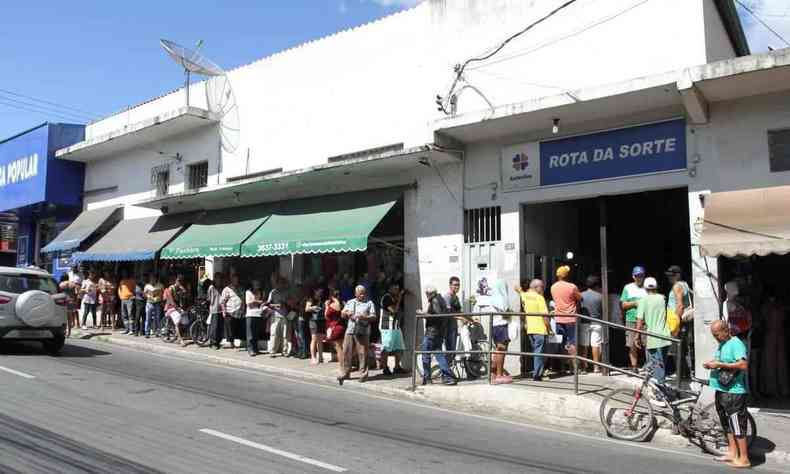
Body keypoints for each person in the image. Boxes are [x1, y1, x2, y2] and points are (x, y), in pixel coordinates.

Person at [704, 320, 751, 469]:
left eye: (717, 334)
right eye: (713, 335)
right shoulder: (723, 344)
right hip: (722, 390)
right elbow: (723, 361)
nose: (715, 338)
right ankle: (733, 452)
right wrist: (713, 363)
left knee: (737, 425)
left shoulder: (736, 343)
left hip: (734, 392)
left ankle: (744, 459)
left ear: (726, 330)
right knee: (726, 424)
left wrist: (719, 365)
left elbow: (743, 365)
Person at [338, 285, 377, 385]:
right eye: (360, 294)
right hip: (350, 330)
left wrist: (364, 317)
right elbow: (342, 314)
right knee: (346, 352)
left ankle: (363, 374)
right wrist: (347, 313)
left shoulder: (369, 303)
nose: (362, 295)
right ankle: (345, 373)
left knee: (362, 353)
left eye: (364, 293)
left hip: (363, 331)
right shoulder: (350, 302)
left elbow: (374, 317)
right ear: (355, 294)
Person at [635, 277, 671, 385]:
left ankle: (660, 394)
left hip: (653, 337)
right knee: (661, 365)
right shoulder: (662, 298)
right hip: (665, 335)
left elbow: (639, 320)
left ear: (645, 288)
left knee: (657, 368)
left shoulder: (643, 301)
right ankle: (661, 389)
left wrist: (637, 336)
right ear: (656, 287)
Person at [419, 285, 455, 386]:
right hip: (439, 332)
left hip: (431, 332)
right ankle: (448, 377)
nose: (426, 296)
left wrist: (423, 314)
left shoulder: (434, 300)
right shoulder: (440, 299)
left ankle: (427, 378)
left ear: (430, 293)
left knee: (425, 355)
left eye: (426, 294)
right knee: (439, 354)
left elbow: (436, 316)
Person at [516, 279, 551, 381]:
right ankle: (537, 375)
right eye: (542, 287)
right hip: (540, 329)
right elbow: (545, 316)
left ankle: (538, 372)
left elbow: (518, 290)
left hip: (530, 329)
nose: (543, 289)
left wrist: (518, 289)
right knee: (539, 353)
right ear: (537, 287)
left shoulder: (525, 295)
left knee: (536, 352)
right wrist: (549, 328)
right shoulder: (539, 298)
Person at [550, 265, 582, 372]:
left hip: (558, 318)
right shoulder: (572, 286)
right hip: (571, 319)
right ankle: (575, 368)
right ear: (567, 275)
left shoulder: (553, 287)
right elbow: (580, 298)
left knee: (561, 343)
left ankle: (562, 367)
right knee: (572, 343)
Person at [621, 266, 648, 373]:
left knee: (648, 344)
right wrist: (635, 303)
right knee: (632, 344)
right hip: (631, 319)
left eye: (641, 275)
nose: (639, 278)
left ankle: (649, 366)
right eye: (637, 276)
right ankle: (634, 367)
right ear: (633, 276)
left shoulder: (648, 287)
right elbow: (623, 305)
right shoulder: (627, 288)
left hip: (646, 320)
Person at [379, 282, 407, 376]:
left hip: (396, 326)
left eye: (398, 289)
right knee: (386, 348)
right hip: (387, 326)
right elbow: (394, 310)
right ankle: (385, 368)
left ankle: (397, 367)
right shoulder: (386, 297)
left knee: (400, 347)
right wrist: (400, 298)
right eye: (395, 288)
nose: (397, 290)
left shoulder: (394, 297)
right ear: (390, 289)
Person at [580, 275, 604, 373]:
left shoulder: (581, 295)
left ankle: (584, 367)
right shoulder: (601, 296)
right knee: (595, 345)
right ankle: (596, 367)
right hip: (597, 322)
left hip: (584, 322)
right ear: (597, 285)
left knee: (584, 345)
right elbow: (604, 310)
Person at [221, 273, 245, 350]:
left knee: (237, 328)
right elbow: (222, 302)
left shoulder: (241, 288)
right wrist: (224, 311)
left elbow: (243, 299)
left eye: (237, 279)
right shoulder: (227, 289)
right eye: (234, 279)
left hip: (239, 312)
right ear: (231, 280)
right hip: (230, 312)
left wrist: (244, 308)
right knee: (231, 329)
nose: (236, 281)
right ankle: (232, 344)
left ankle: (234, 343)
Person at [267, 277, 290, 357]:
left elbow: (291, 303)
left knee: (285, 334)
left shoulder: (286, 292)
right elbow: (268, 304)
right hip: (275, 315)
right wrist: (276, 305)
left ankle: (285, 351)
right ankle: (272, 351)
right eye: (279, 283)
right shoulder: (273, 292)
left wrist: (286, 303)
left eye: (282, 283)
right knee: (274, 334)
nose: (281, 285)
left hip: (284, 315)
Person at [164, 275, 189, 346]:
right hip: (171, 307)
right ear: (176, 281)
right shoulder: (171, 288)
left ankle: (178, 334)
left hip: (178, 307)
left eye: (181, 281)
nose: (180, 282)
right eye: (179, 281)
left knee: (185, 321)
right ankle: (180, 340)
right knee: (177, 323)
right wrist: (178, 309)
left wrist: (184, 291)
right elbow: (171, 301)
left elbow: (186, 297)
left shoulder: (180, 289)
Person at [324, 288, 345, 369]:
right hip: (341, 326)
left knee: (339, 348)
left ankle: (342, 366)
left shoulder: (334, 304)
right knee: (341, 347)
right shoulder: (343, 303)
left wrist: (326, 306)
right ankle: (344, 365)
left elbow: (326, 316)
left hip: (335, 327)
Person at [443, 276, 463, 358]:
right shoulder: (448, 297)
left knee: (452, 352)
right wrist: (461, 318)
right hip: (447, 328)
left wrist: (471, 319)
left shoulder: (456, 297)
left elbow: (459, 312)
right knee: (450, 352)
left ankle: (449, 369)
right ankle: (444, 370)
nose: (457, 287)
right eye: (455, 285)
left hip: (453, 327)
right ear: (450, 285)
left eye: (458, 285)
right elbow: (449, 313)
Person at [305, 288, 326, 365]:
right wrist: (313, 308)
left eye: (321, 291)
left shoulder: (322, 299)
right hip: (313, 321)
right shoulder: (311, 299)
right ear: (315, 291)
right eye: (319, 291)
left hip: (321, 320)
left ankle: (320, 357)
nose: (321, 293)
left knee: (320, 339)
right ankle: (313, 357)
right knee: (314, 339)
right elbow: (306, 309)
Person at [245, 280, 265, 357]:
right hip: (250, 315)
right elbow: (249, 303)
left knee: (256, 334)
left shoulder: (261, 292)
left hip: (258, 314)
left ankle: (256, 349)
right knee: (250, 334)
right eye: (255, 284)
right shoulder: (248, 292)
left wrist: (256, 302)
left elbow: (262, 302)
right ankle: (250, 350)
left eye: (258, 284)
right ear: (252, 285)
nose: (257, 285)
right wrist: (257, 301)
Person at [143, 274, 164, 338]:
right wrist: (148, 296)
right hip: (149, 303)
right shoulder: (147, 286)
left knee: (157, 318)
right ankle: (147, 333)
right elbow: (144, 294)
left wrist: (160, 296)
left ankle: (157, 332)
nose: (152, 280)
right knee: (148, 318)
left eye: (153, 279)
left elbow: (163, 293)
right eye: (151, 279)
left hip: (157, 303)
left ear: (156, 279)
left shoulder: (160, 285)